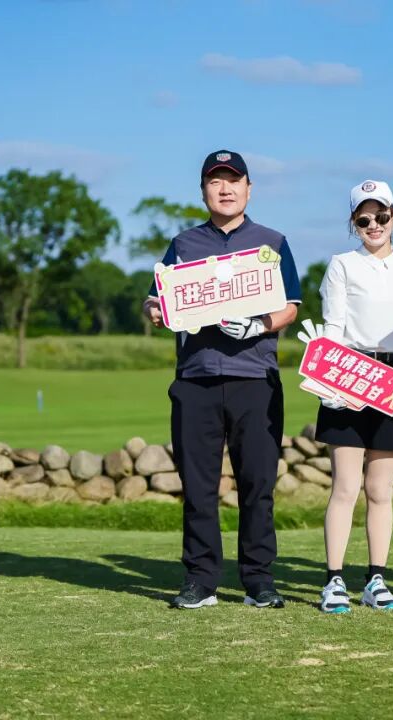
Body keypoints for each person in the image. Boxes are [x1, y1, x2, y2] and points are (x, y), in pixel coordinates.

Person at [142, 150, 302, 610]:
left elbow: (291, 305)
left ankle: (259, 581)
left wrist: (258, 325)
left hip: (256, 379)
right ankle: (200, 580)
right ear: (203, 191)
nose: (225, 188)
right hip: (197, 379)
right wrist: (156, 310)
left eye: (233, 180)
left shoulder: (272, 242)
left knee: (258, 486)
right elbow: (154, 299)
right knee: (198, 487)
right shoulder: (183, 244)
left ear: (249, 188)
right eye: (215, 181)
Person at [307, 180, 393, 614]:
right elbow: (334, 325)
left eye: (381, 216)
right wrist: (329, 380)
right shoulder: (342, 265)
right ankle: (333, 580)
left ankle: (376, 578)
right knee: (345, 486)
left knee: (380, 489)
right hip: (350, 374)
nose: (373, 225)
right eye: (364, 219)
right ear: (353, 223)